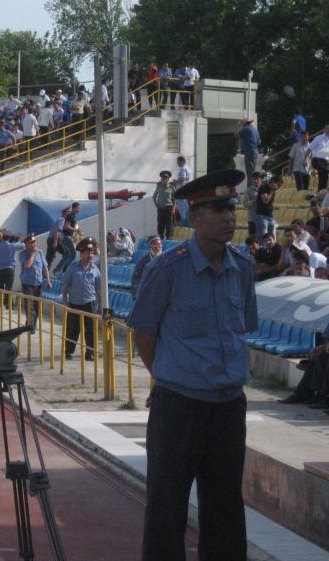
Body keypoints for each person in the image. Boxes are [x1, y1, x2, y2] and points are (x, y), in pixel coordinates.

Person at [127, 169, 258, 561]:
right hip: (179, 406)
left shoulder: (243, 268)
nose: (229, 217)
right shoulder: (168, 268)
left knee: (226, 510)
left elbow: (242, 330)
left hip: (228, 407)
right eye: (217, 209)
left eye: (231, 208)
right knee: (167, 508)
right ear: (194, 215)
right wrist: (167, 376)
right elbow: (144, 334)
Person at [61, 237, 101, 360]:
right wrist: (65, 301)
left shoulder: (95, 269)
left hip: (90, 303)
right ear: (81, 254)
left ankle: (90, 353)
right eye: (88, 253)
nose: (90, 255)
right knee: (72, 328)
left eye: (92, 253)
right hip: (75, 303)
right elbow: (65, 286)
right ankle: (68, 351)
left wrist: (102, 304)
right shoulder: (73, 267)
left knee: (91, 330)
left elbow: (99, 289)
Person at [19, 233, 52, 330]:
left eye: (34, 242)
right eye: (31, 243)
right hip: (27, 284)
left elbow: (44, 268)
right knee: (29, 306)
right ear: (26, 244)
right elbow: (27, 266)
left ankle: (31, 324)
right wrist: (33, 254)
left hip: (38, 283)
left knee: (37, 306)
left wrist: (48, 280)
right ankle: (30, 326)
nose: (33, 244)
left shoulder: (40, 252)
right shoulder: (22, 254)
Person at [0, 229, 25, 307]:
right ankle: (8, 304)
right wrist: (19, 241)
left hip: (0, 270)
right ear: (9, 238)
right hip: (10, 270)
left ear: (3, 237)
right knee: (9, 288)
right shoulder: (13, 246)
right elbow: (23, 246)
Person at [152, 170, 176, 240]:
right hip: (161, 209)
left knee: (169, 224)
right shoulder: (159, 187)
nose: (164, 180)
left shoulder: (172, 188)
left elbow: (174, 199)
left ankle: (168, 238)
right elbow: (154, 197)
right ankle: (161, 238)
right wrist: (156, 205)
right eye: (162, 179)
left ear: (168, 179)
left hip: (169, 208)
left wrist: (174, 208)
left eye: (165, 179)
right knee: (160, 224)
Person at [237, 119, 261, 186]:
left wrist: (238, 126)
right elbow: (259, 142)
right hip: (255, 152)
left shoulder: (245, 129)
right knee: (253, 171)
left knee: (250, 172)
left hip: (249, 152)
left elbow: (236, 134)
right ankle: (255, 186)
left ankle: (250, 188)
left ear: (244, 124)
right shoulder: (255, 130)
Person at [309, 124, 329, 192]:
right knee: (325, 170)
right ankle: (321, 190)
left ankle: (321, 191)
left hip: (325, 161)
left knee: (324, 175)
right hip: (317, 159)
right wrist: (305, 160)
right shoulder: (319, 138)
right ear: (324, 129)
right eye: (327, 128)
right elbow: (310, 148)